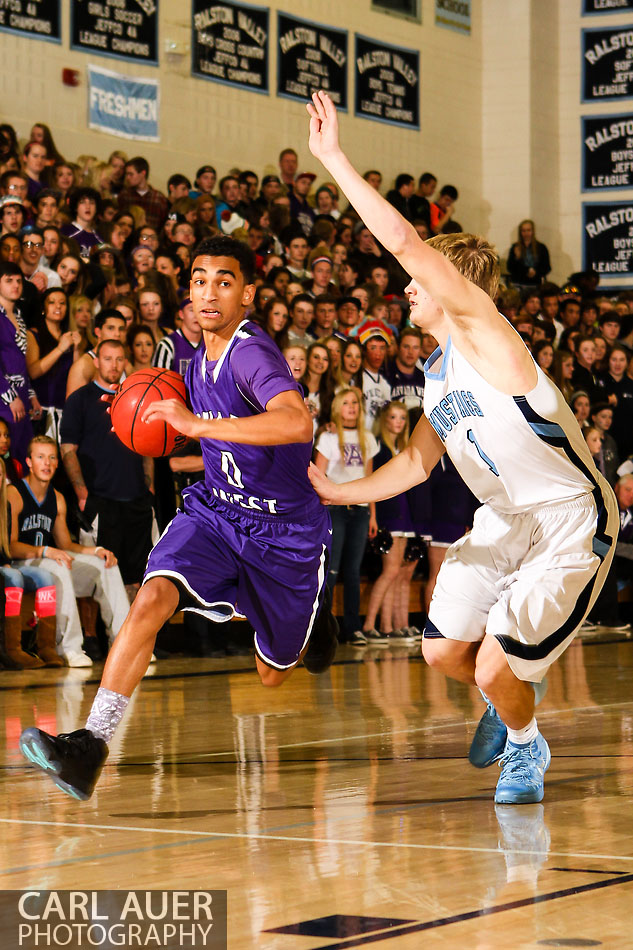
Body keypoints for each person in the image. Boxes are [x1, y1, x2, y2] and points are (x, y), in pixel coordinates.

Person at [305, 90, 618, 805]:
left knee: (491, 673)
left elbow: (405, 243)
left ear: (454, 289)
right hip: (505, 520)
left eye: (419, 279)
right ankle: (510, 709)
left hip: (568, 520)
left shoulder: (488, 336)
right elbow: (413, 462)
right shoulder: (436, 375)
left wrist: (334, 160)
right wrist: (336, 491)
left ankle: (522, 743)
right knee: (443, 651)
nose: (407, 285)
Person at [20, 235, 338, 800]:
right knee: (151, 597)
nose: (209, 292)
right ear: (187, 292)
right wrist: (128, 406)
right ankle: (90, 748)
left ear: (247, 293)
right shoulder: (192, 362)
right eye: (199, 280)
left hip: (285, 534)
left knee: (273, 674)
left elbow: (295, 423)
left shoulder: (250, 353)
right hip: (217, 512)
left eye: (224, 281)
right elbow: (168, 424)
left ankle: (310, 623)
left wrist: (198, 426)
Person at [8, 436, 128, 667]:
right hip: (19, 564)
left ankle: (122, 643)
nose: (47, 463)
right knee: (59, 565)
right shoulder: (14, 494)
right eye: (40, 457)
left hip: (47, 561)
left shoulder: (58, 499)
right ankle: (69, 647)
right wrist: (45, 551)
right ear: (29, 462)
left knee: (106, 566)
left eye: (52, 457)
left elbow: (66, 546)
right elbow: (10, 546)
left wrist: (97, 550)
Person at [60, 340, 154, 588]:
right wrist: (82, 494)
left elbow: (148, 444)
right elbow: (68, 450)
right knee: (97, 580)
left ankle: (131, 628)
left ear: (125, 362)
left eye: (119, 359)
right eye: (108, 358)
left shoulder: (135, 397)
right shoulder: (79, 399)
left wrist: (149, 485)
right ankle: (93, 630)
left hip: (136, 499)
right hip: (100, 500)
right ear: (96, 362)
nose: (114, 364)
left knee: (137, 579)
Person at [314, 387, 378, 644]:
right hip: (335, 509)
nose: (352, 406)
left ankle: (353, 628)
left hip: (360, 510)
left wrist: (373, 515)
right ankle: (323, 628)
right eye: (346, 402)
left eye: (355, 402)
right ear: (337, 407)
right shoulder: (329, 437)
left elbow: (371, 480)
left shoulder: (368, 438)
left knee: (352, 571)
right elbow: (318, 477)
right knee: (332, 569)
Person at [0, 456, 57, 669]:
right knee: (13, 576)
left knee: (44, 576)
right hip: (5, 567)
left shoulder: (4, 504)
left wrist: (5, 562)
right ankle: (12, 649)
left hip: (5, 563)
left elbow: (6, 546)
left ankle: (45, 646)